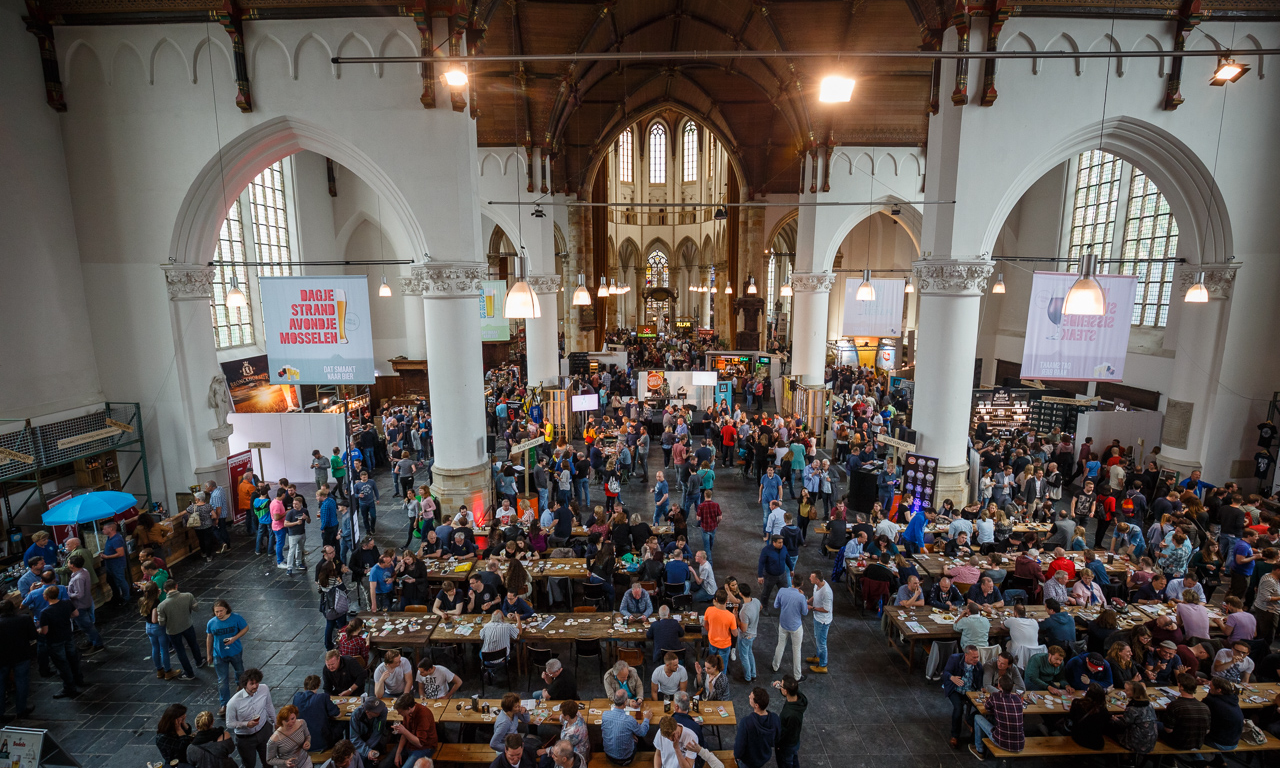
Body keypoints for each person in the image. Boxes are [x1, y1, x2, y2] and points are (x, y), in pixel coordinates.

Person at [206, 599, 249, 716]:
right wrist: (209, 654)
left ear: (226, 609)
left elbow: (245, 628)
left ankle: (240, 686)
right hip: (219, 654)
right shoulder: (211, 623)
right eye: (216, 612)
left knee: (240, 671)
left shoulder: (236, 618)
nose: (219, 614)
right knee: (222, 680)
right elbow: (209, 637)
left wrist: (235, 638)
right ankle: (224, 704)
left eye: (221, 611)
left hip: (235, 651)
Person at [226, 668, 275, 768]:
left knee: (269, 762)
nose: (255, 686)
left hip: (264, 730)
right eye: (251, 683)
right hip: (245, 738)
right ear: (244, 684)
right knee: (249, 764)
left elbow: (269, 705)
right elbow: (229, 723)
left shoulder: (264, 689)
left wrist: (276, 721)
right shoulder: (233, 702)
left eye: (256, 682)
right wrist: (246, 724)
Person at [970, 674, 1025, 760]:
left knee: (977, 717)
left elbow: (987, 707)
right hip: (1020, 743)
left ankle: (979, 750)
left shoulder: (995, 696)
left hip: (1001, 741)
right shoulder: (1017, 698)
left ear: (999, 686)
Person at [0, 601, 37, 720]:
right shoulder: (24, 619)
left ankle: (0, 713)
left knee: (1, 685)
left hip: (2, 658)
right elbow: (33, 636)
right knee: (21, 682)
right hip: (21, 655)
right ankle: (21, 710)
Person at [942, 646, 984, 748]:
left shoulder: (978, 666)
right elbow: (945, 673)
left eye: (977, 657)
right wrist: (952, 678)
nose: (976, 660)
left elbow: (979, 683)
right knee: (958, 708)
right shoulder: (955, 659)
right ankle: (955, 735)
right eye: (973, 657)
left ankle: (970, 722)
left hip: (970, 691)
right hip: (955, 689)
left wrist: (980, 690)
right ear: (966, 655)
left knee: (983, 708)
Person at [1158, 673, 1210, 751]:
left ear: (1181, 687)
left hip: (1178, 743)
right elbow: (1207, 730)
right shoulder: (1204, 707)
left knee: (1156, 724)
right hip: (1198, 743)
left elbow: (1168, 730)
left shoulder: (1175, 705)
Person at [65, 555, 104, 654]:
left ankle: (98, 644)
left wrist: (68, 594)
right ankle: (92, 641)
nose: (67, 563)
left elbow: (79, 594)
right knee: (87, 625)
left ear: (73, 565)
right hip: (86, 602)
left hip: (79, 605)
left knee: (87, 626)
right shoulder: (84, 571)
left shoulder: (78, 578)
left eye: (69, 562)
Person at [733, 687, 780, 768]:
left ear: (756, 705)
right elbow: (777, 738)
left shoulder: (746, 722)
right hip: (764, 757)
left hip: (748, 761)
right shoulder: (775, 718)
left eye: (751, 697)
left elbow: (739, 745)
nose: (748, 697)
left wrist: (737, 757)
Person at [601, 689, 651, 764]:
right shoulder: (629, 720)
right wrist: (647, 719)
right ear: (625, 702)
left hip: (609, 755)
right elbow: (643, 732)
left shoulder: (605, 714)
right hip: (626, 759)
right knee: (639, 737)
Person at [1109, 680, 1158, 755]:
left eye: (1127, 690)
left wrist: (1114, 719)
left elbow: (1123, 724)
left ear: (1135, 692)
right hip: (1151, 739)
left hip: (1139, 743)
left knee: (1110, 730)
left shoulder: (1133, 707)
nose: (1124, 691)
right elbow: (1136, 718)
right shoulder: (1148, 704)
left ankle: (1124, 758)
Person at [292, 675, 340, 753]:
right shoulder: (323, 697)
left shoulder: (297, 697)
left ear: (305, 687)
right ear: (318, 685)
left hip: (302, 742)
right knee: (341, 724)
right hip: (321, 743)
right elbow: (337, 713)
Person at [390, 692, 439, 768]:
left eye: (400, 711)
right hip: (410, 745)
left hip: (425, 748)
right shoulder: (407, 713)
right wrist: (398, 753)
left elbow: (420, 743)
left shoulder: (423, 715)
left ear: (409, 708)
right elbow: (404, 735)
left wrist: (404, 731)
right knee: (385, 764)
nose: (399, 713)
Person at [772, 582, 808, 682]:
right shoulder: (801, 597)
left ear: (792, 582)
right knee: (796, 650)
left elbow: (776, 605)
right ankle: (797, 676)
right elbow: (805, 612)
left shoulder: (782, 591)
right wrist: (803, 597)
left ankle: (775, 666)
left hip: (783, 624)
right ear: (801, 584)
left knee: (780, 644)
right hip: (795, 626)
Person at [1203, 676, 1245, 753]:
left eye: (1211, 686)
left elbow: (1203, 705)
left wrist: (1210, 694)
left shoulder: (1212, 701)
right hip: (1234, 740)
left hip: (1222, 743)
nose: (1209, 687)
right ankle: (1220, 760)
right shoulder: (1233, 699)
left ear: (1219, 690)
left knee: (1192, 734)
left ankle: (1199, 759)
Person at [805, 571, 832, 674]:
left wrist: (812, 608)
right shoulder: (817, 586)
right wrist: (808, 601)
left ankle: (823, 665)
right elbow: (815, 595)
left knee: (821, 643)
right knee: (817, 638)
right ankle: (819, 657)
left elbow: (826, 609)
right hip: (817, 618)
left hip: (823, 620)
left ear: (817, 580)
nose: (809, 578)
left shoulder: (826, 592)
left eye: (811, 577)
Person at [348, 697, 388, 767]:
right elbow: (354, 738)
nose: (380, 712)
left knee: (373, 759)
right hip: (361, 741)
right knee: (358, 760)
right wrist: (367, 751)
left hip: (376, 740)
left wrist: (368, 751)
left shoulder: (383, 711)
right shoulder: (356, 715)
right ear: (367, 712)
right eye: (376, 711)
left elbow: (378, 732)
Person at [155, 703, 194, 767]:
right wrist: (179, 729)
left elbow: (188, 733)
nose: (184, 716)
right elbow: (185, 745)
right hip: (177, 762)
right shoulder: (163, 737)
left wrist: (183, 722)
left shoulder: (177, 725)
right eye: (182, 716)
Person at [757, 536, 790, 608]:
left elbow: (787, 558)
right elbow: (761, 563)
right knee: (766, 593)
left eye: (782, 542)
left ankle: (783, 605)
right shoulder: (766, 550)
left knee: (785, 592)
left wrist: (791, 569)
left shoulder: (784, 548)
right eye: (779, 543)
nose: (781, 544)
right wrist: (760, 576)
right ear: (774, 542)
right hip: (770, 576)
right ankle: (764, 607)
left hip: (782, 575)